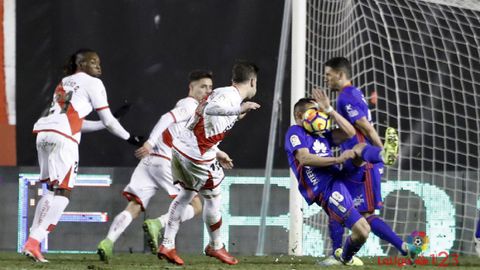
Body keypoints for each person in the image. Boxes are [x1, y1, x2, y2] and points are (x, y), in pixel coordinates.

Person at [96, 70, 234, 263]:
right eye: (203, 86)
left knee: (135, 205)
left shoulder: (198, 109)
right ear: (191, 87)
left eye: (210, 87)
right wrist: (150, 142)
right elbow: (166, 118)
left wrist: (218, 153)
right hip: (165, 160)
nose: (207, 91)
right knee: (196, 205)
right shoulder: (190, 105)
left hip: (150, 162)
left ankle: (107, 242)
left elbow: (191, 138)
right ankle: (157, 224)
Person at [23, 49, 144, 263]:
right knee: (63, 194)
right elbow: (107, 121)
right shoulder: (93, 83)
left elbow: (77, 121)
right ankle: (34, 242)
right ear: (81, 64)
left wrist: (110, 121)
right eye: (93, 61)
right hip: (63, 138)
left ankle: (31, 241)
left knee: (51, 190)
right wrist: (129, 137)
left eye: (99, 62)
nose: (99, 66)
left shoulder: (66, 81)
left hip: (43, 134)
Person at [156, 61, 261, 266]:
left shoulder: (223, 92)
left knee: (186, 194)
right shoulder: (230, 98)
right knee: (213, 198)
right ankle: (216, 246)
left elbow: (206, 124)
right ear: (252, 81)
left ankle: (167, 244)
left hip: (181, 149)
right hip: (196, 156)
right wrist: (239, 109)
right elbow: (213, 109)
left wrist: (217, 151)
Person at [316, 56, 414, 265]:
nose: (326, 79)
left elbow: (365, 127)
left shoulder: (346, 97)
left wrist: (381, 152)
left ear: (340, 75)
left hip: (363, 164)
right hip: (357, 162)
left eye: (329, 75)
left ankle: (341, 254)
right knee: (340, 205)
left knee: (364, 213)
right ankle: (340, 254)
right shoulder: (352, 94)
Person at [285, 97, 386, 265]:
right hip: (325, 187)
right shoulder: (295, 131)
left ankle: (383, 155)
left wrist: (330, 110)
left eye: (319, 112)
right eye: (313, 111)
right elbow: (304, 158)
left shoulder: (322, 135)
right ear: (299, 115)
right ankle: (344, 257)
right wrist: (337, 160)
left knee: (359, 147)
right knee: (362, 231)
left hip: (338, 177)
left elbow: (350, 133)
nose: (318, 115)